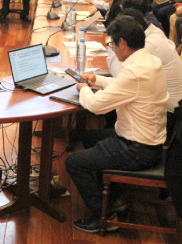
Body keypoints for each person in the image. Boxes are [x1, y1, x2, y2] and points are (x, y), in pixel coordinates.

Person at [65, 16, 168, 233]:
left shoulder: (134, 71)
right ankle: (114, 194)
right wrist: (97, 80)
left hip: (137, 149)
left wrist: (83, 88)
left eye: (111, 43)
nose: (111, 48)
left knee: (74, 162)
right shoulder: (150, 61)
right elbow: (124, 86)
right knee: (89, 137)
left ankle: (104, 216)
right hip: (149, 141)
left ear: (122, 43)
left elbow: (96, 106)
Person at [108, 8, 182, 132]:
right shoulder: (153, 34)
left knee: (112, 101)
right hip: (166, 106)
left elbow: (120, 75)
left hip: (167, 115)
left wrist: (111, 47)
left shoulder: (149, 44)